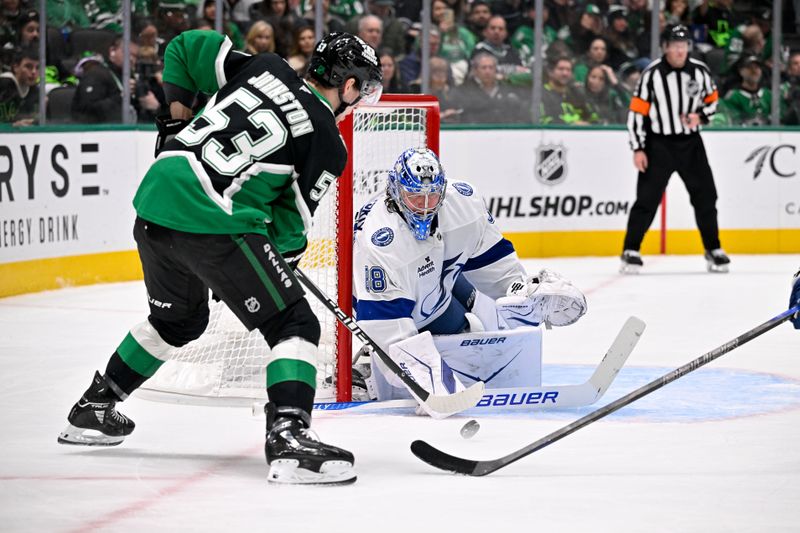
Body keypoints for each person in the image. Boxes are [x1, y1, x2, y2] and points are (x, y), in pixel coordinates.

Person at [57, 31, 382, 486]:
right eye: (362, 89)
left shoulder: (265, 66)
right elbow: (288, 229)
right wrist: (269, 266)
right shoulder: (328, 140)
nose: (360, 100)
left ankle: (94, 407)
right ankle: (289, 436)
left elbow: (184, 47)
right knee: (294, 323)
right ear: (348, 86)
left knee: (178, 321)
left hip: (154, 202)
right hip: (213, 220)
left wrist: (176, 119)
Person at [352, 148, 587, 403]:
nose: (425, 206)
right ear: (397, 193)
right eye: (415, 197)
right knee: (417, 360)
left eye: (432, 196)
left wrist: (517, 290)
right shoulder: (379, 241)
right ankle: (367, 363)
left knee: (464, 336)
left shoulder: (463, 202)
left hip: (435, 290)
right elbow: (387, 327)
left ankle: (507, 313)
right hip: (378, 303)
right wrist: (427, 380)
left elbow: (492, 261)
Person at [621, 25, 729, 274]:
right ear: (665, 47)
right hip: (658, 144)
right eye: (675, 46)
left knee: (706, 196)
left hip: (691, 144)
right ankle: (631, 250)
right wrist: (638, 148)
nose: (680, 50)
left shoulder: (699, 71)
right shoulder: (652, 75)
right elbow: (637, 112)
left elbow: (712, 99)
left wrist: (701, 116)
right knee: (647, 198)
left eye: (684, 45)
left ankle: (713, 248)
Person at [71, 36, 160, 123]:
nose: (131, 59)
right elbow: (86, 111)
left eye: (135, 56)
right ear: (112, 51)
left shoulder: (131, 77)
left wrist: (153, 108)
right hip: (102, 130)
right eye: (127, 53)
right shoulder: (96, 75)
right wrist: (121, 97)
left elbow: (137, 114)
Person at [0, 46, 38, 125]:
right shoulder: (3, 84)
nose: (34, 72)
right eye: (28, 66)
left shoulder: (35, 91)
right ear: (16, 67)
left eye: (37, 67)